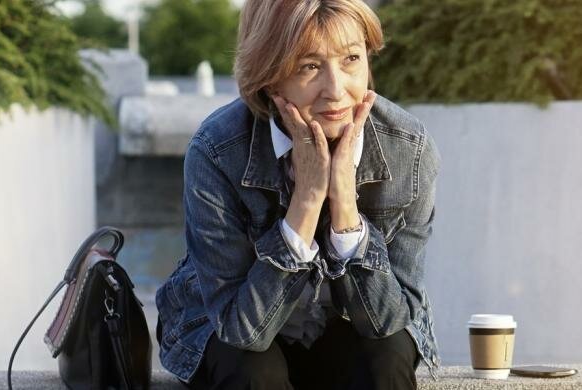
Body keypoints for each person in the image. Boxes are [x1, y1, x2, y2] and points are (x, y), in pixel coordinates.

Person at [153, 0, 441, 388]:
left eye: (351, 59)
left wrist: (344, 206)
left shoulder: (409, 148)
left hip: (344, 325)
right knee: (254, 371)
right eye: (309, 66)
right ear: (269, 76)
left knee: (386, 360)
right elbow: (243, 331)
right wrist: (306, 200)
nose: (336, 90)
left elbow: (388, 322)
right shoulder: (218, 150)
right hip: (231, 328)